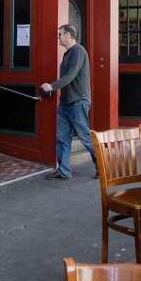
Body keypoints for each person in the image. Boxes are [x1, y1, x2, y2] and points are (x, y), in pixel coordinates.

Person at [40, 24, 95, 180]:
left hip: (78, 102)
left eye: (60, 34)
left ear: (69, 36)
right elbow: (68, 78)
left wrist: (52, 86)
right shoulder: (67, 54)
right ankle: (64, 171)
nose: (58, 37)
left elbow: (70, 75)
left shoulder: (78, 51)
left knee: (85, 137)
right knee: (62, 137)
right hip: (65, 102)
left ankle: (103, 167)